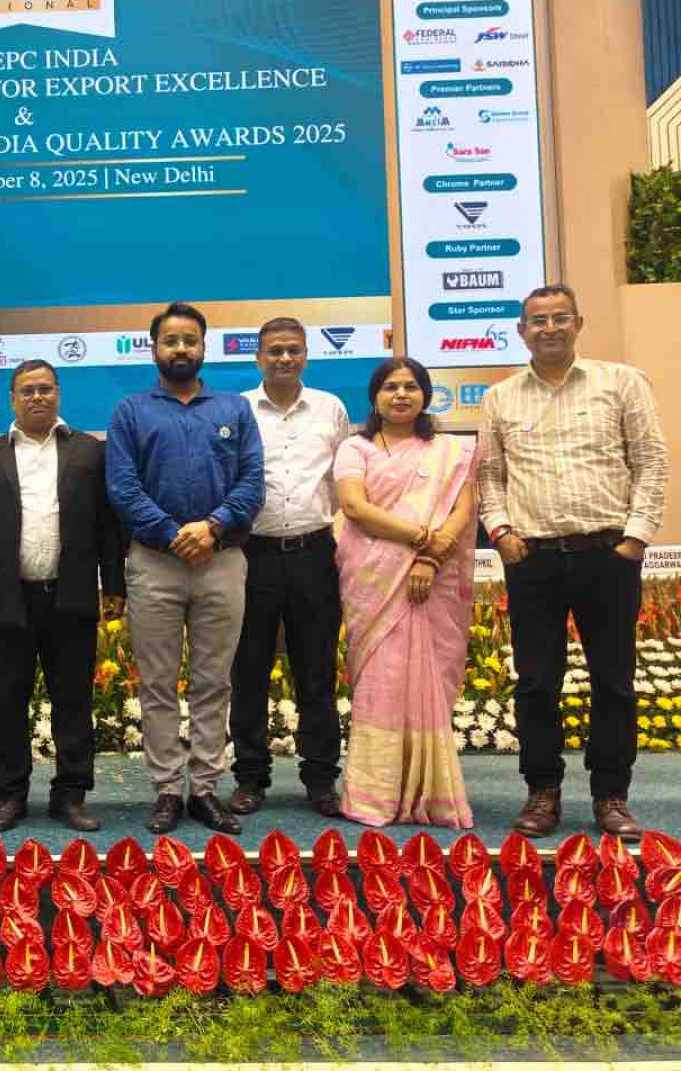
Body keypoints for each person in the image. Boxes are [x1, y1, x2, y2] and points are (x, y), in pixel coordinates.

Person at [479, 284, 668, 842]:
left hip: (607, 556)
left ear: (578, 323)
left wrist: (635, 538)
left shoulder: (621, 382)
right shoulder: (501, 397)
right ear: (521, 332)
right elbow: (490, 475)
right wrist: (501, 531)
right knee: (537, 683)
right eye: (537, 320)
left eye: (560, 317)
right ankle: (542, 791)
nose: (550, 328)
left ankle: (611, 796)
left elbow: (651, 461)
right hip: (532, 558)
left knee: (615, 682)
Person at [106, 302, 264, 835]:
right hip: (155, 562)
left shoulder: (235, 409)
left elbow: (252, 482)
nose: (180, 349)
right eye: (170, 341)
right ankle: (168, 789)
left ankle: (206, 788)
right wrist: (174, 533)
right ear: (154, 349)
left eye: (189, 340)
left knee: (213, 681)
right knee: (157, 682)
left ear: (203, 347)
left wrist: (213, 527)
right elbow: (122, 488)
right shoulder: (131, 411)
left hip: (221, 560)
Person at [0, 360, 125, 833]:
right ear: (12, 399)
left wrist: (114, 585)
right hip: (6, 598)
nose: (37, 397)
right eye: (27, 390)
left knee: (73, 701)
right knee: (7, 702)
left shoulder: (89, 451)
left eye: (46, 389)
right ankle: (10, 794)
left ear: (58, 394)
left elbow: (109, 526)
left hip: (70, 596)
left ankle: (70, 795)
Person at [333, 357, 476, 829]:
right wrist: (421, 538)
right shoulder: (355, 448)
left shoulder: (450, 451)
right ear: (374, 397)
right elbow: (354, 507)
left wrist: (431, 557)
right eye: (390, 387)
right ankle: (376, 792)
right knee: (383, 680)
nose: (400, 395)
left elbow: (463, 509)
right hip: (374, 583)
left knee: (428, 677)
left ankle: (431, 792)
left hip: (433, 581)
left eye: (410, 387)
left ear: (425, 395)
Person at [229, 319, 348, 818]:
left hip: (313, 553)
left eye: (293, 350)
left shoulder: (330, 408)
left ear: (305, 355)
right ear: (258, 358)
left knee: (316, 672)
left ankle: (320, 779)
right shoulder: (236, 408)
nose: (284, 358)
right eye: (274, 351)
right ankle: (250, 777)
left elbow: (344, 481)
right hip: (250, 554)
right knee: (248, 671)